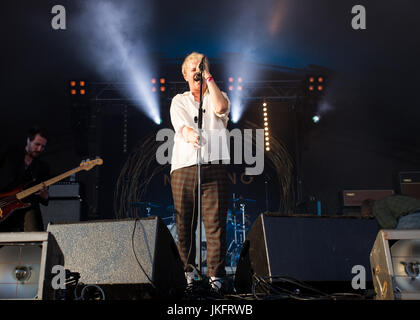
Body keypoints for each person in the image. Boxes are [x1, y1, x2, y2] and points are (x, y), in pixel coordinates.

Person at [169, 52, 230, 292]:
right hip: (185, 166)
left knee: (215, 223)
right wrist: (189, 134)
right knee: (185, 223)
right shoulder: (179, 100)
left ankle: (216, 278)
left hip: (214, 164)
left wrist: (209, 78)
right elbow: (181, 127)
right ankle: (188, 276)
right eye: (192, 68)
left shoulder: (220, 95)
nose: (197, 71)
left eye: (201, 67)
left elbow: (222, 108)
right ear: (185, 74)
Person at [0, 126, 50, 232]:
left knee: (35, 236)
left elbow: (44, 198)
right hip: (3, 203)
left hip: (26, 206)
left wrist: (45, 196)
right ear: (28, 140)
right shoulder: (9, 155)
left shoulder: (43, 167)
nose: (40, 149)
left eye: (43, 146)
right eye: (37, 144)